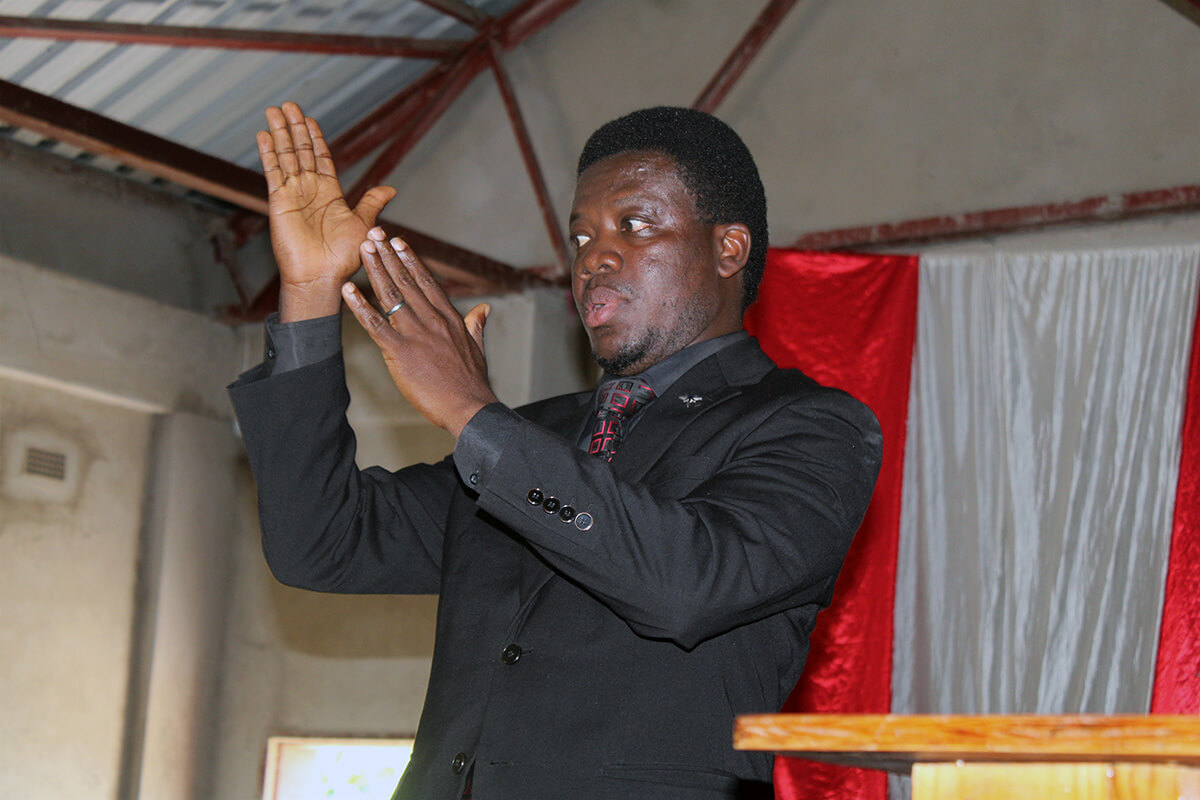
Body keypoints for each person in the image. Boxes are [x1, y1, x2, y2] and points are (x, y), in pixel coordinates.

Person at [230, 101, 882, 800]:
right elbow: (320, 542)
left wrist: (470, 411)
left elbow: (689, 587)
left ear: (729, 249)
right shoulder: (526, 441)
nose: (593, 258)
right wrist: (308, 293)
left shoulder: (809, 425)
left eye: (634, 225)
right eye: (579, 238)